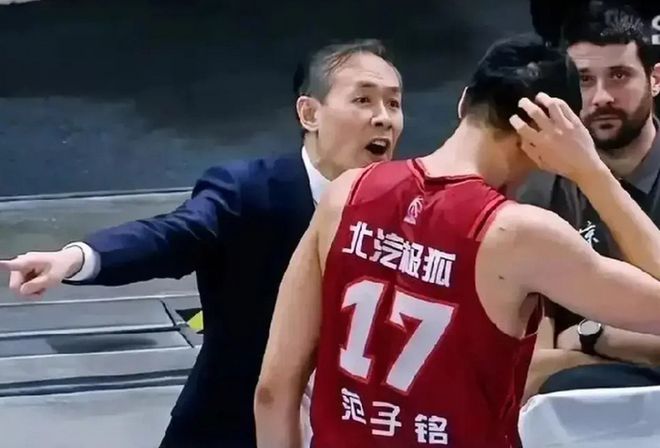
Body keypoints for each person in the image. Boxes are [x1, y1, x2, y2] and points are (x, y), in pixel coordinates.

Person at [254, 33, 660, 447]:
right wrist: (591, 172)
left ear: (464, 102)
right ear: (549, 135)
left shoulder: (346, 192)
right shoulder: (519, 234)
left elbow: (272, 390)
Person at [0, 39, 404, 447]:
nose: (384, 119)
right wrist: (76, 258)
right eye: (363, 100)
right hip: (230, 428)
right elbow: (175, 234)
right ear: (310, 113)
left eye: (393, 103)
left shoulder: (407, 208)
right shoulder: (248, 192)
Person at [518, 2, 660, 400]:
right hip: (578, 412)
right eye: (583, 79)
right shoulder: (540, 190)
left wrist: (594, 336)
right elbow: (530, 369)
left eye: (619, 76)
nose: (601, 97)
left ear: (655, 80)